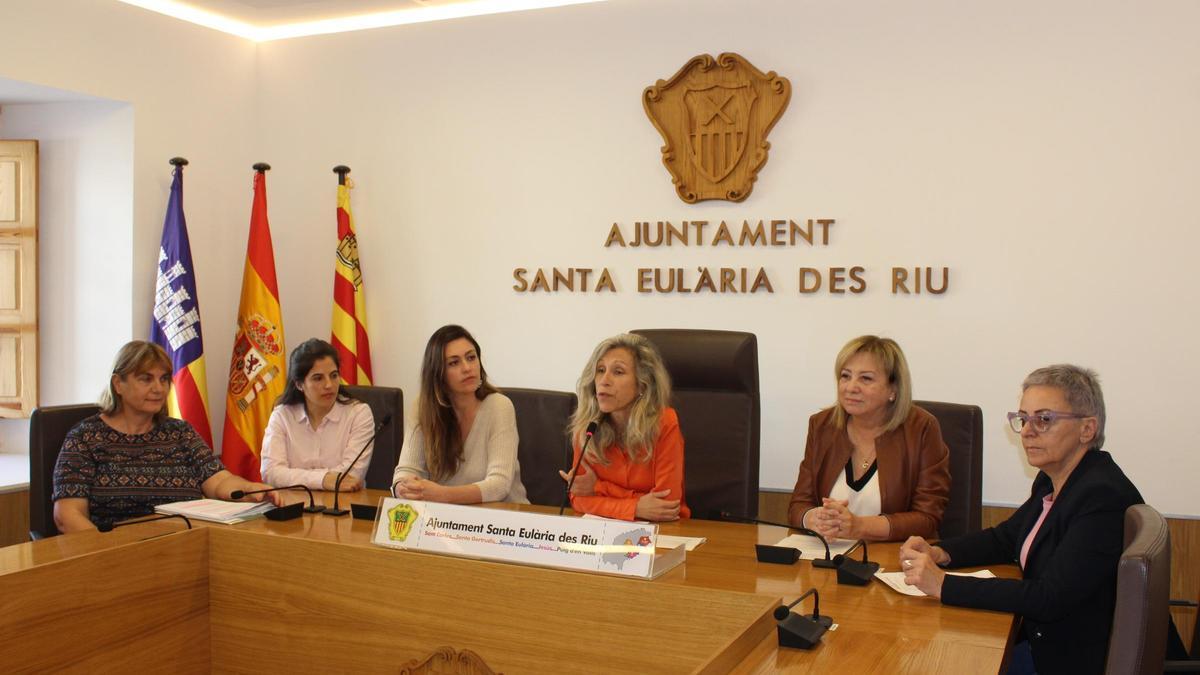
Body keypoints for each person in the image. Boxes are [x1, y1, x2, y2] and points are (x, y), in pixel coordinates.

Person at [899, 365, 1143, 675]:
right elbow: (1005, 538)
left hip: (1073, 661)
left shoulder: (1101, 496)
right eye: (1023, 419)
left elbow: (1049, 597)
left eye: (1044, 419)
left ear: (1087, 429)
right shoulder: (1053, 479)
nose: (1027, 431)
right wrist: (941, 552)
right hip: (1046, 644)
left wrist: (943, 584)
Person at [52, 340, 282, 533]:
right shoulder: (86, 437)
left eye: (164, 379)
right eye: (146, 379)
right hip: (115, 553)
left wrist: (250, 490)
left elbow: (218, 481)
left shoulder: (179, 432)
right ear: (118, 384)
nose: (159, 388)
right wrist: (106, 552)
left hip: (185, 547)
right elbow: (67, 514)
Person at [788, 335, 950, 541]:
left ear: (893, 390)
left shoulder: (922, 429)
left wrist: (860, 526)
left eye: (866, 378)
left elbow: (927, 518)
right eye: (845, 376)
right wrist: (813, 519)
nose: (851, 387)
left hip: (894, 560)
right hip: (828, 555)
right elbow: (798, 505)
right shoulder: (822, 426)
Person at [392, 325, 528, 503]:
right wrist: (402, 487)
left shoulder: (499, 406)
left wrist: (442, 495)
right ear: (437, 373)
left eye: (471, 358)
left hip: (503, 521)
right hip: (446, 522)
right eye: (454, 362)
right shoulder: (422, 407)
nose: (467, 368)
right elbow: (408, 469)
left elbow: (499, 485)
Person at [561, 333, 689, 521]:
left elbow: (665, 506)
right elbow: (578, 499)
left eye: (618, 372)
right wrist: (636, 507)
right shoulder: (587, 427)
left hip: (663, 534)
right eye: (600, 370)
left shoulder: (664, 423)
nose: (604, 380)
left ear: (642, 385)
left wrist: (598, 488)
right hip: (603, 533)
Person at [260, 338, 376, 492]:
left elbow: (350, 477)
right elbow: (271, 472)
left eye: (334, 376)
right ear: (299, 384)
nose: (329, 385)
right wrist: (323, 480)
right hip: (293, 505)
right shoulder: (282, 415)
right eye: (318, 378)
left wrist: (294, 477)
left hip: (344, 505)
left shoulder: (359, 413)